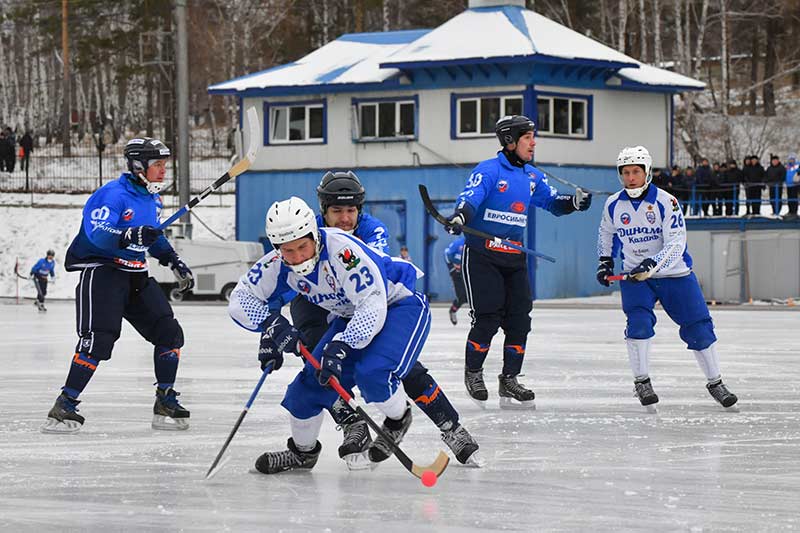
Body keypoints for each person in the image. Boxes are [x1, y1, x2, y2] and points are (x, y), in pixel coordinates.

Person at [229, 197, 482, 474]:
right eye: (288, 251)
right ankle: (303, 453)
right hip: (350, 316)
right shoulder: (277, 264)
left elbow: (371, 304)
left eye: (303, 246)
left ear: (314, 234)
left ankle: (399, 420)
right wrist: (271, 326)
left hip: (398, 306)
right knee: (307, 388)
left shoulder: (342, 251)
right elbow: (241, 298)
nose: (298, 257)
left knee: (374, 373)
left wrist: (341, 346)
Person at [41, 137, 195, 434]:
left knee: (169, 332)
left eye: (165, 165)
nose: (164, 171)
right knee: (98, 340)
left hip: (136, 274)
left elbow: (154, 236)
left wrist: (172, 260)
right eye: (158, 165)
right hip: (104, 272)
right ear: (139, 165)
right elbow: (97, 233)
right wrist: (128, 236)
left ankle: (164, 398)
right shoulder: (111, 195)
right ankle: (65, 403)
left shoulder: (152, 198)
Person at [445, 115, 592, 409]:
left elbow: (552, 203)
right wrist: (460, 217)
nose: (533, 143)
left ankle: (509, 379)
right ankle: (473, 373)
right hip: (483, 255)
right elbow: (470, 199)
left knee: (519, 321)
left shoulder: (532, 176)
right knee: (487, 318)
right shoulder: (488, 170)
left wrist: (574, 203)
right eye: (528, 138)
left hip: (514, 257)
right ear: (510, 141)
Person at [596, 146, 738, 412]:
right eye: (625, 172)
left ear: (647, 172)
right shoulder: (613, 204)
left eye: (636, 171)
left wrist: (653, 264)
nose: (630, 177)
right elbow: (606, 234)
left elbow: (676, 243)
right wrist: (605, 262)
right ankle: (642, 382)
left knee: (698, 328)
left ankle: (716, 382)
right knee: (638, 324)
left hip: (675, 275)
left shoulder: (666, 201)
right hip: (636, 278)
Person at [288, 170, 392, 469]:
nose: (345, 219)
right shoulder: (309, 229)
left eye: (351, 210)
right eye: (337, 211)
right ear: (323, 211)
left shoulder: (373, 230)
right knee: (316, 357)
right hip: (313, 298)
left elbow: (378, 272)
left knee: (359, 356)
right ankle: (350, 420)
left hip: (355, 300)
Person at [444, 235, 467, 326]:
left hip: (469, 272)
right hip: (458, 274)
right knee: (462, 297)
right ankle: (453, 310)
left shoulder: (476, 242)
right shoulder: (459, 243)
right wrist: (452, 268)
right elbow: (447, 253)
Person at [785, 154, 799, 220]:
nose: (791, 160)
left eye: (792, 159)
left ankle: (794, 211)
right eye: (790, 159)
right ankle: (790, 211)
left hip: (795, 185)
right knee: (789, 198)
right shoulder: (787, 166)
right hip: (789, 185)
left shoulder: (797, 165)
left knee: (794, 198)